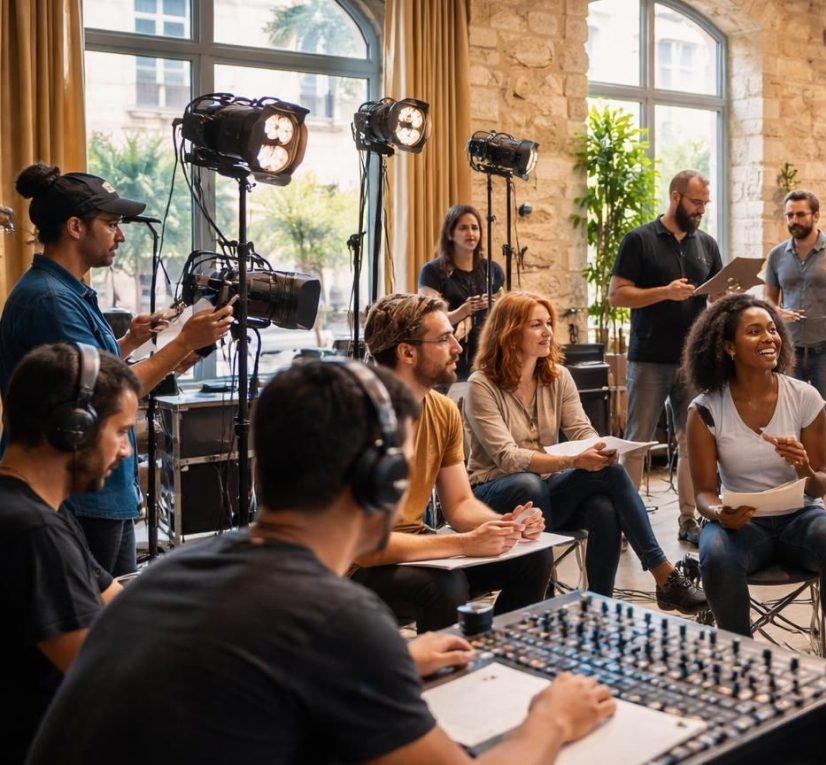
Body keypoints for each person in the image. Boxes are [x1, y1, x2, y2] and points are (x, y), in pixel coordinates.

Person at [28, 360, 616, 765]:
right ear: (382, 483)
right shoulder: (337, 618)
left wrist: (395, 661)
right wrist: (552, 719)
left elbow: (249, 679)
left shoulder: (174, 572)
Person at [0, 163, 235, 575]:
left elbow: (85, 371)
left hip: (99, 491)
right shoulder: (50, 301)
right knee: (95, 621)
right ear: (75, 227)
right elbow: (105, 395)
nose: (121, 235)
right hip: (79, 495)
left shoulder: (67, 292)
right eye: (111, 224)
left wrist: (128, 343)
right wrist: (182, 343)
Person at [464, 291, 706, 613]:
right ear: (509, 332)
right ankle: (660, 577)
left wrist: (600, 450)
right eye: (536, 324)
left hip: (545, 492)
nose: (548, 331)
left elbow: (581, 429)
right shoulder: (482, 384)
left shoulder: (557, 376)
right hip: (495, 493)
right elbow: (507, 457)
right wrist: (573, 460)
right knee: (528, 483)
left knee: (603, 504)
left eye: (548, 323)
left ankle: (602, 608)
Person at [355, 292, 551, 631]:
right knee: (444, 586)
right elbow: (367, 547)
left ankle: (500, 660)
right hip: (354, 566)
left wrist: (505, 528)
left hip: (413, 544)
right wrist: (463, 543)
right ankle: (443, 678)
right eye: (445, 339)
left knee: (532, 558)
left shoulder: (443, 410)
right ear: (407, 352)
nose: (459, 348)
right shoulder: (358, 415)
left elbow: (459, 504)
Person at [683, 293, 826, 664]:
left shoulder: (804, 397)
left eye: (771, 329)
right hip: (740, 520)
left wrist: (803, 468)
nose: (769, 338)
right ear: (729, 346)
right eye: (754, 331)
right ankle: (743, 661)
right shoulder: (705, 408)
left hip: (800, 515)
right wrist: (718, 513)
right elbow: (704, 492)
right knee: (714, 555)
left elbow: (822, 484)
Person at [1, 343, 138, 762]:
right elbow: (108, 678)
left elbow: (120, 602)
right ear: (73, 429)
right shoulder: (34, 532)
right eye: (120, 431)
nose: (126, 450)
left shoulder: (37, 510)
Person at [609, 169, 724, 545]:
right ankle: (627, 520)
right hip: (648, 358)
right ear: (675, 197)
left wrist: (728, 294)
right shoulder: (639, 240)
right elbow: (617, 295)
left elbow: (717, 295)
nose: (701, 210)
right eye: (695, 202)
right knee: (638, 440)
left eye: (705, 203)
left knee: (693, 441)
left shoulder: (706, 244)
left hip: (692, 360)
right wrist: (664, 292)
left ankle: (689, 519)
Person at [764, 189, 826, 522]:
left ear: (815, 216)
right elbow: (768, 304)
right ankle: (796, 498)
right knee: (789, 429)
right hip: (789, 354)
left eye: (800, 214)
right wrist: (779, 315)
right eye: (790, 215)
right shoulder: (777, 255)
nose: (794, 220)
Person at [419, 204, 504, 379]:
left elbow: (504, 316)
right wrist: (463, 311)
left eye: (475, 228)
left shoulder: (493, 270)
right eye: (463, 228)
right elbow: (428, 321)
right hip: (449, 360)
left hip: (487, 357)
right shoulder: (432, 271)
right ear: (450, 234)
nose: (471, 234)